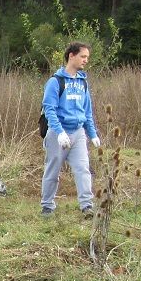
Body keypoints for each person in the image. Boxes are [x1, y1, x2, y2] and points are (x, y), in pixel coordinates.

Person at [41, 41, 101, 216]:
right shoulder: (55, 81)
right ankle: (47, 206)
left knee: (83, 169)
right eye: (83, 56)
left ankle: (87, 206)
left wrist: (93, 133)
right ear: (71, 56)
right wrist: (59, 132)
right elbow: (49, 109)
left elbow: (87, 111)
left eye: (87, 57)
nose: (85, 60)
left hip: (78, 133)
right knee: (52, 170)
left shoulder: (83, 83)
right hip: (58, 134)